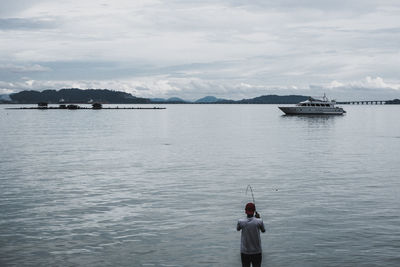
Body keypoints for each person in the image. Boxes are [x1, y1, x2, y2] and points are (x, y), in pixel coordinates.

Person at [237, 202, 266, 267]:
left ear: (245, 211)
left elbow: (238, 229)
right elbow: (263, 230)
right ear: (254, 211)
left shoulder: (240, 222)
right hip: (257, 251)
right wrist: (258, 218)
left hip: (245, 252)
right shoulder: (259, 221)